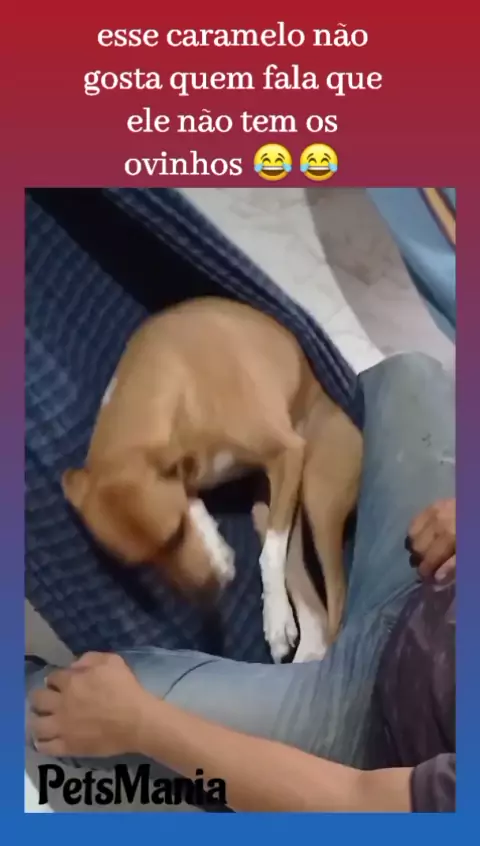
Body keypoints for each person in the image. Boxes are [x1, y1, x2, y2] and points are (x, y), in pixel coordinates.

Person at [26, 352, 456, 813]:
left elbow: (356, 803)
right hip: (429, 585)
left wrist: (141, 724)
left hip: (372, 739)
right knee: (410, 376)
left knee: (65, 705)